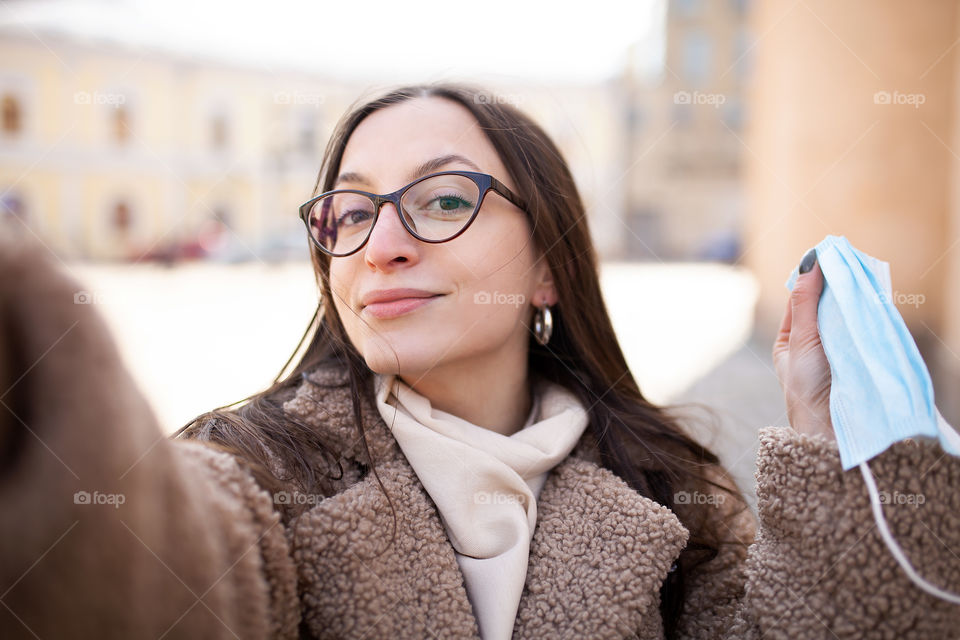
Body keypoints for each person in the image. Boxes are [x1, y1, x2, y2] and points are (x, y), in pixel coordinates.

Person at [0, 83, 957, 640]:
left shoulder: (674, 490)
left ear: (547, 265)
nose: (381, 246)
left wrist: (837, 459)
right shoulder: (259, 469)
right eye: (351, 211)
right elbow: (149, 572)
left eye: (444, 200)